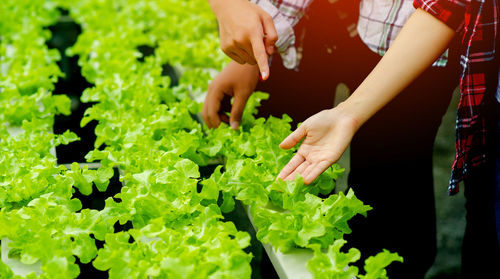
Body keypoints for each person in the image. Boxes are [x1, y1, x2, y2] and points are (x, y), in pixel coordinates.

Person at [205, 0, 459, 277]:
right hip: (304, 24)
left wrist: (348, 113)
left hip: (406, 28)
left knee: (390, 208)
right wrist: (251, 38)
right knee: (286, 198)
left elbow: (449, 6)